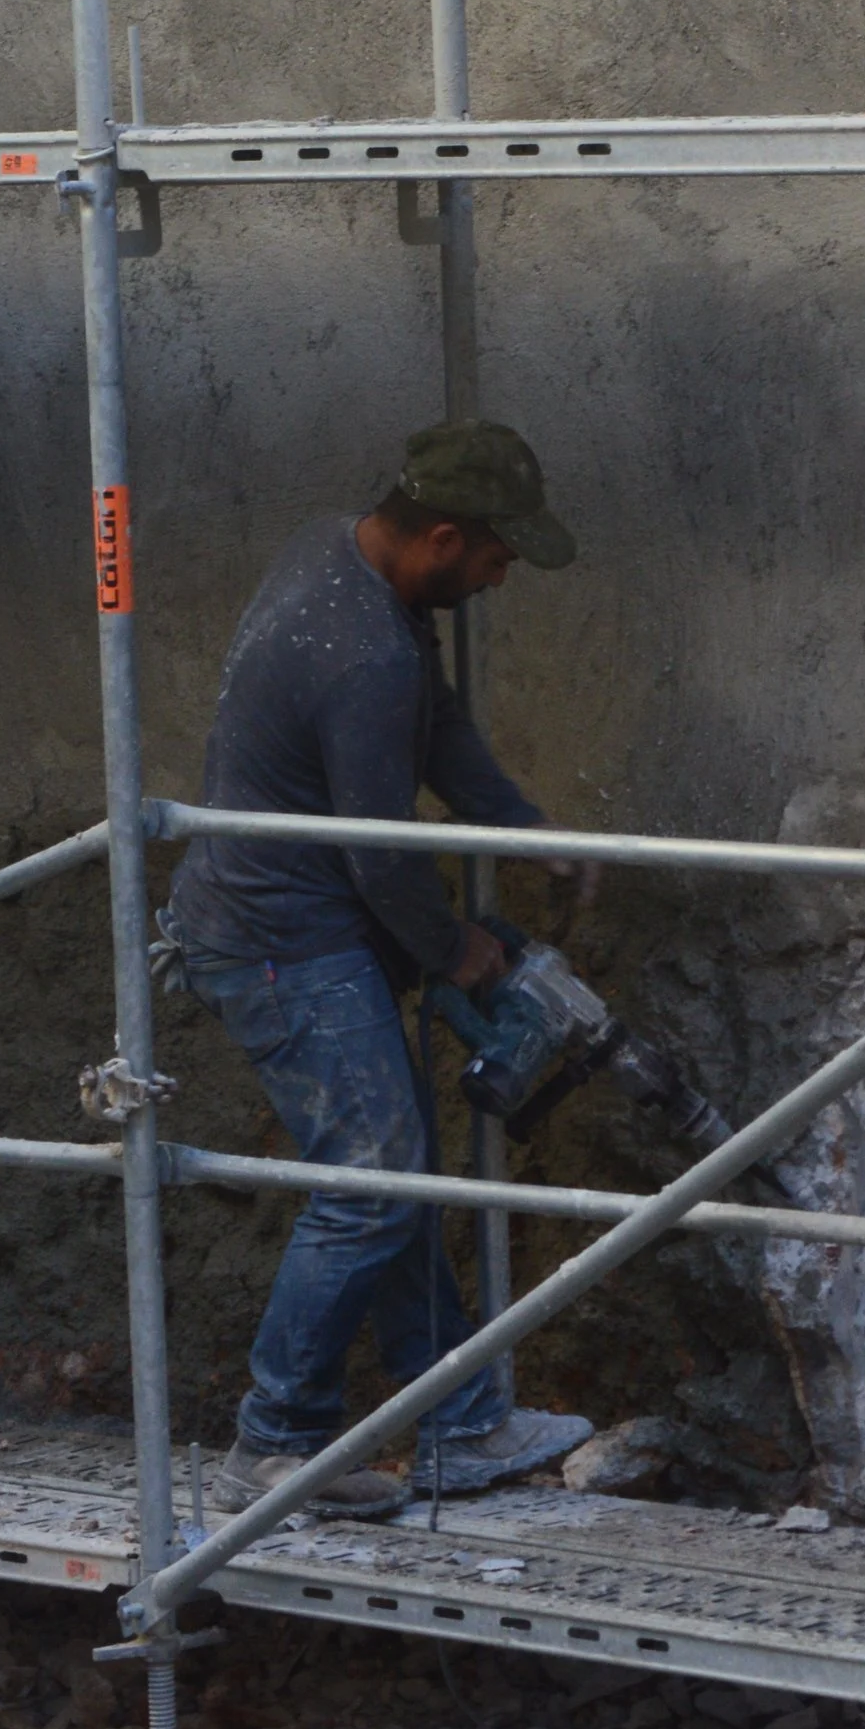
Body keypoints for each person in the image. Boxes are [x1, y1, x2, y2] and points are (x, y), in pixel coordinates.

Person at [163, 419, 596, 1514]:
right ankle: (273, 1446)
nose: (501, 578)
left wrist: (517, 824)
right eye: (496, 557)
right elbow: (380, 852)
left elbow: (433, 721)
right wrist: (461, 950)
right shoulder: (361, 650)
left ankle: (457, 1418)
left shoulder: (340, 557)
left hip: (298, 919)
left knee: (390, 1165)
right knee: (371, 1183)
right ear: (444, 537)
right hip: (278, 940)